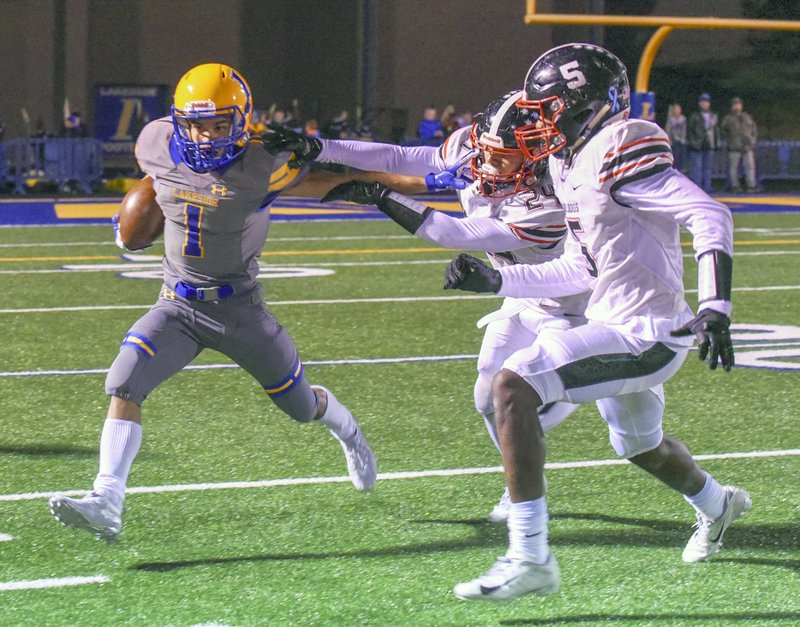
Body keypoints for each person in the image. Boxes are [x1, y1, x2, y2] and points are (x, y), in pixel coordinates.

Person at [442, 43, 748, 602]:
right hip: (613, 320)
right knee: (640, 447)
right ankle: (717, 502)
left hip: (648, 331)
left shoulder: (618, 143)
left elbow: (708, 212)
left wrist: (716, 306)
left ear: (581, 105)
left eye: (543, 109)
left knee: (515, 384)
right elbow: (581, 263)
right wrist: (500, 282)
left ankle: (529, 556)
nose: (533, 122)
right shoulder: (566, 161)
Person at [48, 63, 378, 543]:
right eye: (196, 125)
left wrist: (415, 183)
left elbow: (333, 183)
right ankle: (106, 501)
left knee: (300, 405)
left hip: (240, 309)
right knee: (123, 381)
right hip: (177, 304)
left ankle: (347, 429)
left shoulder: (265, 162)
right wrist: (133, 221)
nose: (204, 137)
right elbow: (153, 185)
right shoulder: (157, 142)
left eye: (218, 125)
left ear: (241, 120)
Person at [286, 91, 591, 522]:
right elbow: (399, 156)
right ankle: (521, 472)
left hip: (570, 307)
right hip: (520, 297)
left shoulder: (546, 203)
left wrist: (382, 198)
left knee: (529, 406)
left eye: (500, 159)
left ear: (536, 160)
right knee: (486, 396)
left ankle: (563, 416)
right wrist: (321, 147)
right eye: (483, 153)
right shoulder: (479, 144)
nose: (484, 166)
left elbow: (453, 233)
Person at [721, 97, 758, 192]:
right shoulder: (728, 118)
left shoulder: (747, 117)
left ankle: (751, 185)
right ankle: (735, 186)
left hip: (747, 146)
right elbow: (722, 131)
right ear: (732, 107)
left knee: (750, 167)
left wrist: (752, 140)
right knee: (733, 168)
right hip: (734, 146)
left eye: (738, 104)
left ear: (741, 106)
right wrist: (729, 141)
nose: (737, 106)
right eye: (735, 104)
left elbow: (754, 130)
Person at [687, 93, 720, 193]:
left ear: (709, 103)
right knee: (697, 168)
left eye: (706, 102)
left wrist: (716, 143)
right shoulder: (695, 116)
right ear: (700, 103)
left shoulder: (713, 116)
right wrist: (693, 142)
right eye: (702, 102)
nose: (704, 104)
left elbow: (716, 130)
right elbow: (690, 130)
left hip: (709, 144)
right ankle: (697, 187)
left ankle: (707, 186)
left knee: (708, 168)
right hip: (697, 145)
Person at [664, 103, 687, 173]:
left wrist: (682, 139)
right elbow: (667, 129)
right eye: (675, 110)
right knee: (674, 157)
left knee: (682, 156)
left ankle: (682, 169)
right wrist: (669, 140)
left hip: (681, 141)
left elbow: (684, 130)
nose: (676, 111)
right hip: (672, 142)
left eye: (678, 110)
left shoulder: (683, 119)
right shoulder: (670, 119)